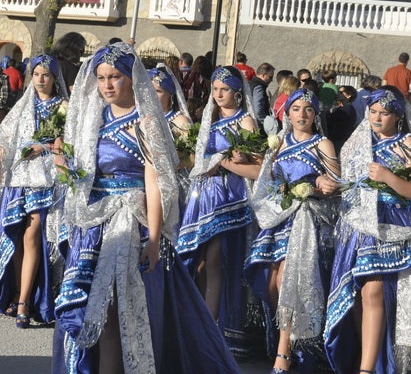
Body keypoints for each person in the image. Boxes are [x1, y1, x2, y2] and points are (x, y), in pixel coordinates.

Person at [52, 42, 239, 373]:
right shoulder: (91, 118)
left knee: (118, 314)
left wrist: (154, 238)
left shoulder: (148, 121)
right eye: (101, 77)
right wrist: (62, 164)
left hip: (132, 224)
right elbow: (80, 173)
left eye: (115, 77)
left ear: (131, 78)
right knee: (93, 315)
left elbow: (154, 182)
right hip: (94, 225)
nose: (107, 85)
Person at [244, 88, 340, 373]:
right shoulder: (279, 143)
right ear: (287, 114)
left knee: (288, 279)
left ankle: (283, 356)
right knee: (272, 281)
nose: (302, 115)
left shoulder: (323, 143)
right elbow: (267, 180)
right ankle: (288, 340)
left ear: (315, 115)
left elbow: (336, 186)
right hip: (279, 218)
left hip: (307, 219)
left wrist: (322, 183)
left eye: (308, 109)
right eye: (296, 109)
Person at [324, 86, 411, 374]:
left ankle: (367, 369)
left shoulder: (407, 144)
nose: (376, 118)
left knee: (374, 292)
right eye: (372, 111)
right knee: (360, 294)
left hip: (392, 226)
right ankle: (368, 360)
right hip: (358, 227)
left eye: (384, 113)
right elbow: (348, 184)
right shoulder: (356, 144)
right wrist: (332, 185)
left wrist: (388, 178)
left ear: (397, 116)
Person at [176, 65, 262, 356]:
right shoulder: (207, 120)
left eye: (224, 89)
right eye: (214, 89)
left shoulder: (246, 122)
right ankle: (196, 320)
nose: (218, 94)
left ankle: (212, 330)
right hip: (202, 197)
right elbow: (193, 162)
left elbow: (260, 169)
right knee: (196, 263)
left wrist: (226, 162)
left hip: (229, 198)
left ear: (238, 92)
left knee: (216, 260)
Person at [0, 54, 67, 329]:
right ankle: (21, 292)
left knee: (34, 234)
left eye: (46, 75)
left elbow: (63, 146)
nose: (41, 79)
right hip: (19, 176)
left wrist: (43, 147)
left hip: (45, 178)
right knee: (18, 235)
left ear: (55, 78)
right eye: (36, 74)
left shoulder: (63, 107)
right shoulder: (22, 106)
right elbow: (6, 138)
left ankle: (24, 301)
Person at [251, 62, 276, 129]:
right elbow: (258, 110)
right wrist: (266, 123)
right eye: (270, 77)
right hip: (258, 125)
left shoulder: (251, 83)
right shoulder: (258, 87)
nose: (271, 80)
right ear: (264, 75)